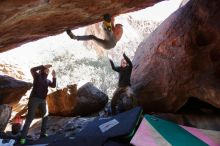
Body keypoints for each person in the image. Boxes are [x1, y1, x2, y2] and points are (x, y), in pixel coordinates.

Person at [19, 64, 56, 144]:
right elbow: (32, 69)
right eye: (46, 70)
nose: (47, 71)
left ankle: (42, 134)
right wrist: (43, 66)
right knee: (30, 118)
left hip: (43, 101)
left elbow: (53, 85)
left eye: (48, 71)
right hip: (34, 99)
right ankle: (22, 138)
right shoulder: (37, 76)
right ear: (42, 70)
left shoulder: (47, 80)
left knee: (45, 116)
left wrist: (54, 77)